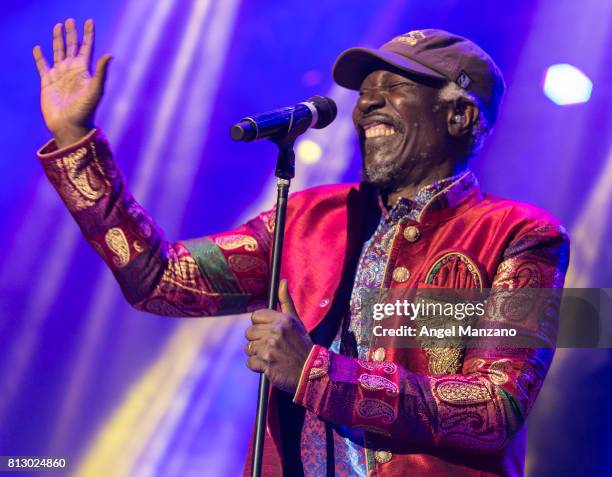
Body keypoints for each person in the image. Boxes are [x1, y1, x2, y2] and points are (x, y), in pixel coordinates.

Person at [33, 19, 569, 477]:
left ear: (460, 116)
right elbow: (162, 281)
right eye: (366, 92)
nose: (368, 104)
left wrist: (315, 372)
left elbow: (495, 406)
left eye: (396, 87)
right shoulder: (312, 216)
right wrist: (76, 143)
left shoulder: (524, 235)